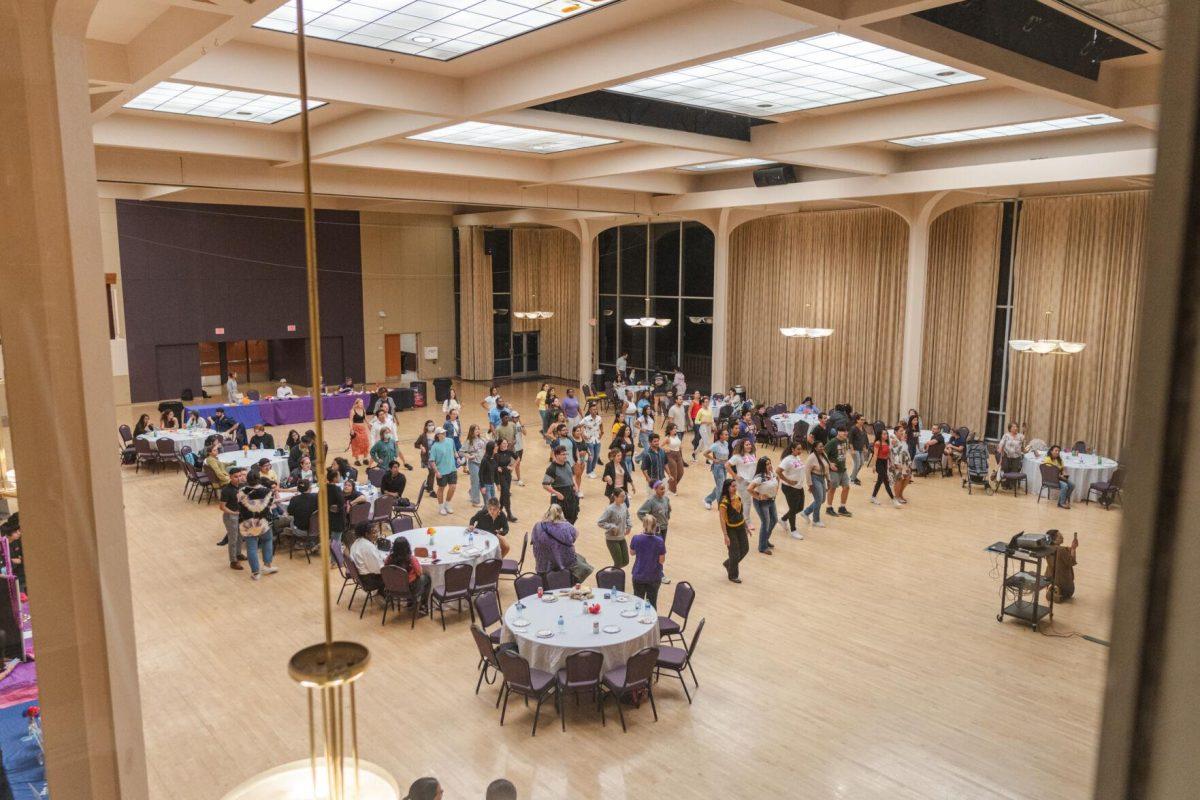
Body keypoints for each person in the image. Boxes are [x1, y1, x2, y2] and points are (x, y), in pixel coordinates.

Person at [530, 503, 592, 583]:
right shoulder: (566, 526)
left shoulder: (538, 525)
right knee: (580, 561)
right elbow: (575, 535)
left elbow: (533, 540)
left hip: (543, 561)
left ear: (547, 513)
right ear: (561, 513)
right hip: (563, 560)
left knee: (544, 584)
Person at [237, 474, 280, 581]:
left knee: (251, 547)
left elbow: (239, 505)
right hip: (262, 522)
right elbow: (269, 505)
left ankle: (255, 573)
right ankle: (267, 566)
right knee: (267, 540)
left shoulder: (241, 491)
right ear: (259, 480)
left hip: (247, 523)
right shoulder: (268, 491)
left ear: (247, 480)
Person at [636, 480, 672, 583]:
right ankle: (660, 574)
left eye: (664, 488)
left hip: (665, 528)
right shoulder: (651, 501)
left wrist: (667, 517)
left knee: (659, 551)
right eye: (661, 489)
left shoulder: (666, 499)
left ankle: (654, 570)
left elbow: (668, 510)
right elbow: (640, 513)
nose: (663, 490)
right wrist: (649, 524)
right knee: (659, 552)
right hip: (656, 531)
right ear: (655, 489)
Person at [630, 514, 666, 607]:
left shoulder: (636, 538)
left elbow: (632, 553)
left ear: (643, 525)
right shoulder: (659, 541)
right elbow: (662, 560)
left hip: (639, 575)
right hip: (654, 577)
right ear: (655, 526)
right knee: (651, 604)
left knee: (638, 603)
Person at [385, 537, 431, 608]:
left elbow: (386, 568)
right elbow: (419, 573)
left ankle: (410, 603)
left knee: (406, 580)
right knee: (427, 577)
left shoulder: (389, 558)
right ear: (407, 546)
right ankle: (423, 605)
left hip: (393, 588)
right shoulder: (411, 559)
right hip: (409, 589)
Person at [718, 478, 749, 584]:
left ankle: (729, 563)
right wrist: (725, 535)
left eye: (736, 486)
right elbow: (722, 519)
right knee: (734, 552)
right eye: (733, 486)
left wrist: (746, 525)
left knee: (745, 549)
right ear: (727, 488)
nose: (735, 488)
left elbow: (740, 514)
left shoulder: (737, 498)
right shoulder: (724, 502)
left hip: (740, 527)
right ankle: (733, 575)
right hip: (731, 529)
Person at [748, 457, 780, 554]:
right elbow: (749, 489)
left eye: (770, 463)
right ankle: (762, 547)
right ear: (762, 466)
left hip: (771, 500)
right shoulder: (759, 477)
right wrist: (758, 496)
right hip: (762, 503)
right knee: (766, 522)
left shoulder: (772, 473)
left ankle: (765, 539)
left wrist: (775, 491)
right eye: (767, 464)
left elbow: (778, 479)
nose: (770, 465)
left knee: (774, 520)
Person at [217, 467, 247, 570]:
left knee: (240, 537)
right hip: (231, 517)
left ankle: (238, 554)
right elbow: (222, 507)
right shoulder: (226, 490)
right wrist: (233, 512)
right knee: (233, 539)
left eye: (240, 476)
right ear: (230, 477)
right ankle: (233, 561)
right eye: (235, 477)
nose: (238, 478)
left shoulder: (241, 486)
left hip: (240, 515)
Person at [778, 440, 808, 539]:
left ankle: (783, 519)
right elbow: (778, 471)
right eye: (798, 449)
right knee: (793, 508)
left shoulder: (797, 457)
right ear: (792, 449)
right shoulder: (787, 460)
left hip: (799, 487)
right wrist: (788, 481)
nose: (800, 451)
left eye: (801, 449)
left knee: (800, 508)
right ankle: (793, 530)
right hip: (789, 488)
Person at [542, 446, 579, 524]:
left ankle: (568, 533)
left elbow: (572, 475)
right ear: (556, 455)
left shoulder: (568, 463)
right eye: (563, 454)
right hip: (560, 497)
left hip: (571, 495)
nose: (565, 456)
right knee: (559, 521)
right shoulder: (552, 469)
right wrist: (557, 493)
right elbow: (545, 485)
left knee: (572, 516)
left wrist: (575, 484)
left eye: (566, 454)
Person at [726, 437, 758, 526]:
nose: (749, 446)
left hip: (752, 482)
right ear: (742, 446)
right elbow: (727, 465)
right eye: (746, 444)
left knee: (745, 502)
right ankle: (746, 522)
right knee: (747, 502)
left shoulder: (752, 454)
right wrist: (735, 475)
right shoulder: (737, 456)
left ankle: (737, 516)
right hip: (743, 482)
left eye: (749, 444)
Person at [597, 487, 632, 567]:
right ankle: (613, 577)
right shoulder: (610, 509)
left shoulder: (624, 505)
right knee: (618, 563)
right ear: (615, 497)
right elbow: (600, 522)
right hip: (612, 539)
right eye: (621, 496)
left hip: (622, 537)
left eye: (624, 496)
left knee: (625, 562)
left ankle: (613, 574)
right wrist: (612, 526)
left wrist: (629, 525)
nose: (624, 498)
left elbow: (627, 516)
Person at [348, 521, 385, 593]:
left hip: (361, 578)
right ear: (366, 534)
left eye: (377, 532)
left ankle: (383, 592)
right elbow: (378, 569)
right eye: (374, 533)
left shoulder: (356, 542)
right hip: (369, 581)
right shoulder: (367, 547)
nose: (377, 535)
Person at [824, 427, 853, 518]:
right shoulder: (832, 442)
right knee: (832, 488)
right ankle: (829, 508)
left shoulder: (845, 441)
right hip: (834, 470)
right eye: (843, 431)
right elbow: (823, 454)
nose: (845, 433)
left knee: (846, 487)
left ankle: (842, 508)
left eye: (846, 431)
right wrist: (829, 464)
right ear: (838, 432)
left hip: (843, 469)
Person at [429, 428, 459, 515]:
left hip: (452, 469)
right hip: (441, 471)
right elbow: (432, 461)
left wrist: (457, 458)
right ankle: (441, 507)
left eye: (444, 432)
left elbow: (454, 451)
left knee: (453, 487)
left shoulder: (450, 441)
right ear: (438, 435)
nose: (444, 433)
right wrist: (436, 472)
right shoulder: (435, 446)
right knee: (441, 488)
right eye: (442, 433)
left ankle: (447, 504)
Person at [869, 429, 901, 507]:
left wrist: (892, 463)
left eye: (886, 434)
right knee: (886, 481)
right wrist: (873, 465)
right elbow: (875, 455)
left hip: (884, 463)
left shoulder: (887, 443)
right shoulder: (877, 443)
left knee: (879, 481)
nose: (886, 435)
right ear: (880, 435)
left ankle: (873, 497)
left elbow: (889, 454)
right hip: (879, 463)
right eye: (884, 434)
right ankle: (893, 499)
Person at [800, 443, 829, 528]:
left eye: (822, 446)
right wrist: (810, 485)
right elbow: (807, 472)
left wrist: (829, 480)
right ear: (815, 448)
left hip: (822, 478)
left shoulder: (824, 455)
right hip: (814, 478)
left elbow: (826, 468)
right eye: (820, 447)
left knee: (822, 500)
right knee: (818, 499)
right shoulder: (811, 457)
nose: (822, 448)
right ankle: (816, 520)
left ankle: (806, 512)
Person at [1045, 530, 1079, 601]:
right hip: (1065, 587)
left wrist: (1070, 548)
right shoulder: (1061, 550)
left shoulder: (1047, 548)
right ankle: (1059, 595)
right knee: (1068, 592)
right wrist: (1073, 549)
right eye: (1060, 537)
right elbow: (1072, 562)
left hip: (1049, 580)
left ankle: (1052, 589)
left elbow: (1061, 550)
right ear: (1054, 541)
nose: (1062, 537)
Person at [703, 427, 731, 510]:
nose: (727, 436)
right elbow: (705, 453)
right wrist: (714, 460)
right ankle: (720, 505)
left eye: (727, 434)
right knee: (721, 486)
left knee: (720, 485)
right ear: (720, 436)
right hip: (718, 467)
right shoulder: (715, 445)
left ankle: (708, 500)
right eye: (726, 434)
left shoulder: (726, 443)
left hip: (725, 466)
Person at [889, 426, 913, 503]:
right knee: (899, 479)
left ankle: (900, 494)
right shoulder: (894, 440)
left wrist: (909, 463)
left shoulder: (903, 440)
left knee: (907, 477)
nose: (902, 432)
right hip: (897, 463)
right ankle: (897, 496)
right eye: (900, 431)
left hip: (905, 463)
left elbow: (906, 452)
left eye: (903, 431)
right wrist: (896, 464)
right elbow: (893, 453)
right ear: (896, 432)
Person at [494, 437, 516, 522]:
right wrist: (497, 468)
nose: (505, 445)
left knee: (504, 494)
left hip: (508, 475)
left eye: (506, 443)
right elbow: (494, 465)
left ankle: (498, 511)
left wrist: (513, 466)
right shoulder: (496, 454)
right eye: (503, 443)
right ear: (499, 445)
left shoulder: (509, 452)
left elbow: (518, 458)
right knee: (506, 493)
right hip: (500, 476)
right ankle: (509, 514)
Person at [580, 402, 603, 478]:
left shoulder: (599, 418)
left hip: (597, 440)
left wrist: (602, 433)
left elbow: (601, 425)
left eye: (596, 409)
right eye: (593, 409)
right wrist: (583, 434)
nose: (595, 411)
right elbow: (579, 426)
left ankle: (592, 470)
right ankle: (588, 471)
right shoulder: (586, 419)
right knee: (591, 456)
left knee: (596, 456)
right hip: (589, 441)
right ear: (590, 410)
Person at [663, 422, 687, 494]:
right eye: (674, 429)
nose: (675, 430)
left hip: (678, 454)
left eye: (676, 429)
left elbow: (678, 444)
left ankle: (669, 485)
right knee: (674, 473)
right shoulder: (667, 438)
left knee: (681, 472)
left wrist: (680, 447)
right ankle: (672, 490)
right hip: (670, 455)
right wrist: (665, 449)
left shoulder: (677, 436)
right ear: (670, 430)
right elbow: (660, 446)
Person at [848, 414, 869, 486]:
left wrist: (865, 448)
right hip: (854, 449)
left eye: (864, 420)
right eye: (861, 420)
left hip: (860, 449)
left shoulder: (863, 428)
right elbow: (850, 440)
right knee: (857, 464)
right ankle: (852, 479)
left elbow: (864, 439)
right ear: (857, 420)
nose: (863, 421)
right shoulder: (853, 428)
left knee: (862, 463)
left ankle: (853, 476)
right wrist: (852, 450)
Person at [349, 398, 370, 466]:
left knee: (366, 442)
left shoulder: (363, 410)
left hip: (363, 428)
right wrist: (351, 429)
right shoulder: (353, 411)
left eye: (362, 403)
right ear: (356, 403)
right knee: (356, 444)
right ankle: (357, 459)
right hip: (356, 428)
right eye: (360, 403)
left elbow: (365, 418)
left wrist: (369, 424)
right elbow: (351, 420)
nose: (362, 404)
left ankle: (365, 458)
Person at [478, 440, 498, 505]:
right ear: (491, 448)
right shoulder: (485, 460)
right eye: (495, 446)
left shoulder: (494, 458)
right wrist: (482, 486)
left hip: (492, 484)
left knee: (492, 504)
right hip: (486, 485)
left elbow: (495, 472)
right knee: (489, 505)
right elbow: (480, 473)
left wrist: (497, 484)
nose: (497, 447)